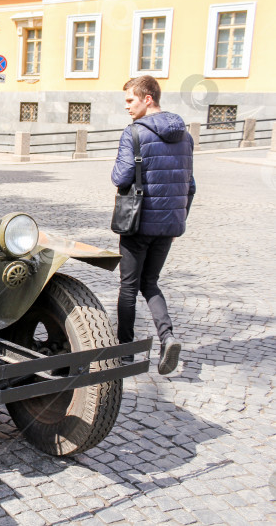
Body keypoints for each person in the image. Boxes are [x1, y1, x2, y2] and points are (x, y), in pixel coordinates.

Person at [111, 75, 196, 375]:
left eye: (131, 100)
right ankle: (167, 337)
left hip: (137, 224)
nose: (127, 107)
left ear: (148, 99)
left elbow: (120, 178)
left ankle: (125, 353)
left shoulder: (133, 133)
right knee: (151, 283)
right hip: (168, 225)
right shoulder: (185, 136)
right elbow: (190, 186)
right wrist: (177, 222)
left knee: (129, 287)